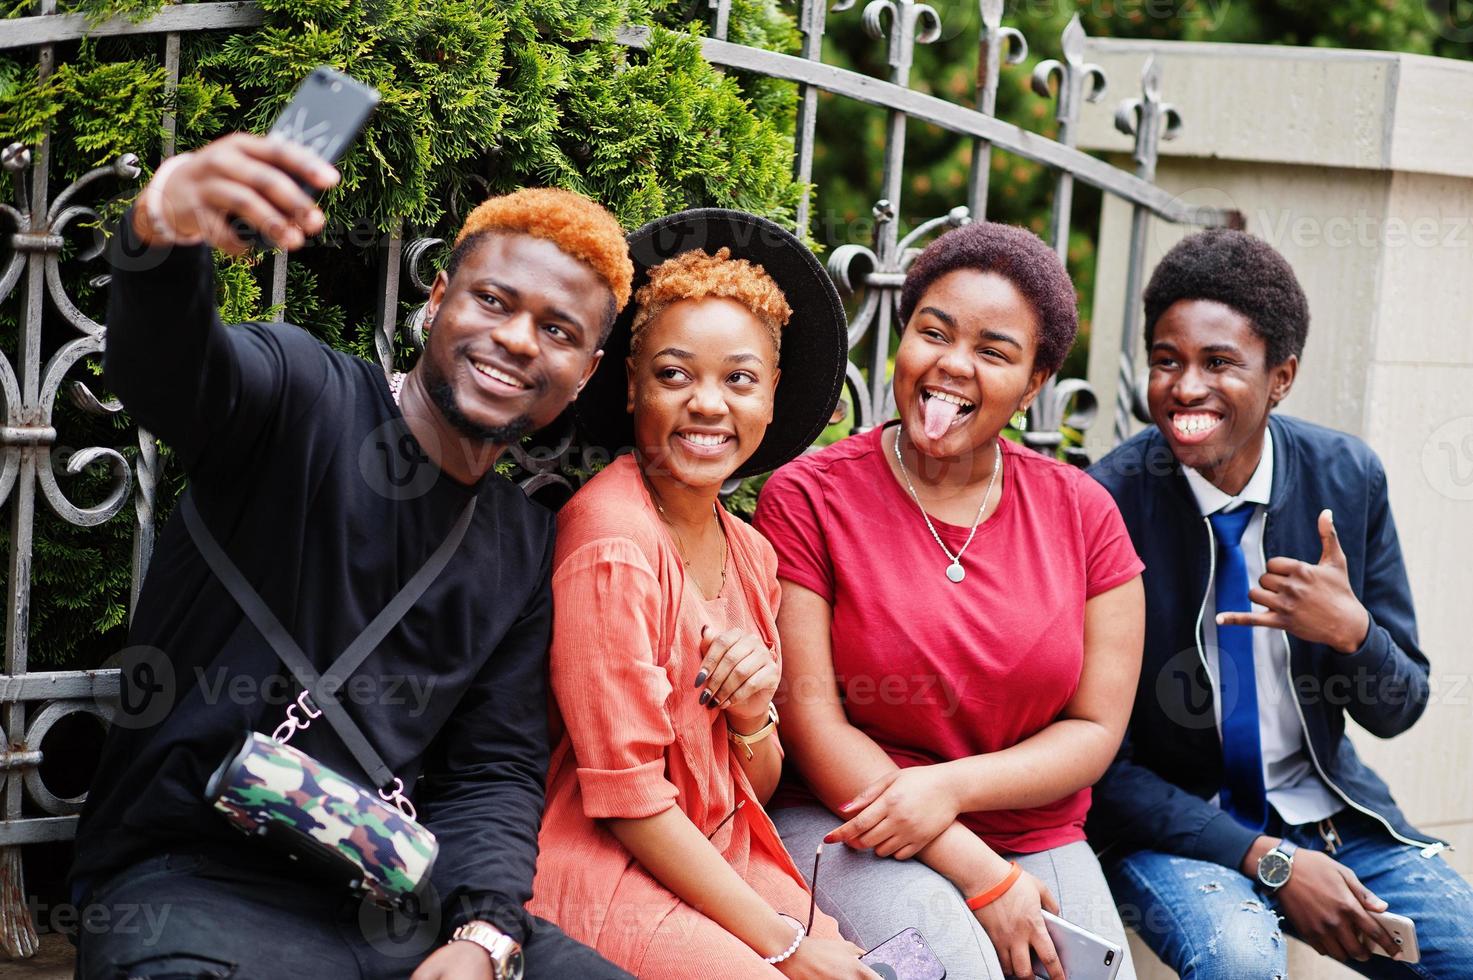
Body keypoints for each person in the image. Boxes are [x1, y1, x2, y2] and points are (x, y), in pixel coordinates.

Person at [72, 132, 635, 980]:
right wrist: (162, 234)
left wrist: (482, 935)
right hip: (194, 887)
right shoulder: (302, 392)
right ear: (439, 295)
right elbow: (169, 374)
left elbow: (494, 767)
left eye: (556, 330)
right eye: (493, 301)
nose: (519, 339)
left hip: (392, 900)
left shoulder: (521, 543)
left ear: (585, 373)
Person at [752, 221, 1146, 980]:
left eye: (993, 352)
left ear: (1033, 384)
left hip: (1033, 831)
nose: (952, 366)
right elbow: (807, 718)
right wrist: (978, 872)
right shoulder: (808, 497)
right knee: (959, 967)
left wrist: (950, 791)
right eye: (933, 333)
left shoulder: (1083, 512)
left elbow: (1095, 728)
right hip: (848, 818)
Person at [1087, 228, 1473, 978]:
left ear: (1281, 376)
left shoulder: (1345, 476)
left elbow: (1399, 708)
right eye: (1167, 361)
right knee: (1235, 959)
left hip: (1328, 815)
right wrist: (1267, 862)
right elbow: (1101, 765)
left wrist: (1351, 632)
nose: (1185, 388)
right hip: (1175, 829)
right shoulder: (1107, 503)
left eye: (1218, 363)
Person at [526, 210, 875, 979]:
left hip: (719, 857)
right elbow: (626, 803)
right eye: (674, 374)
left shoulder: (750, 551)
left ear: (772, 393)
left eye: (739, 379)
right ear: (631, 387)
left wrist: (753, 716)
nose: (708, 404)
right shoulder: (612, 545)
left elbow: (752, 783)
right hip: (608, 869)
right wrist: (783, 945)